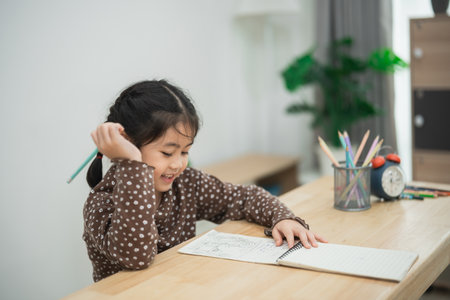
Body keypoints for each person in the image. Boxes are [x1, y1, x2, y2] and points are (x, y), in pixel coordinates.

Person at [83, 79, 327, 282]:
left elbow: (244, 197)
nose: (179, 164)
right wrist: (132, 164)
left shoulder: (186, 184)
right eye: (167, 153)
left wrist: (282, 217)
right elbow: (135, 257)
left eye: (185, 151)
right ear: (127, 143)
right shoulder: (101, 203)